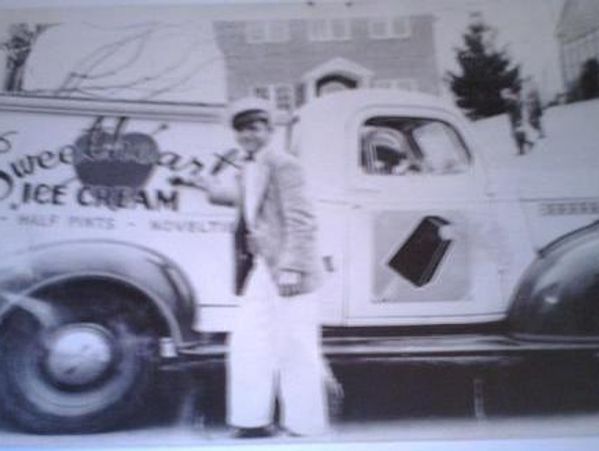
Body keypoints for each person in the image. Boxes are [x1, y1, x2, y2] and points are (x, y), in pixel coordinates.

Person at [196, 97, 328, 438]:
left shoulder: (286, 164)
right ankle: (251, 421)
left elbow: (303, 220)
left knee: (296, 346)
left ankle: (305, 425)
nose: (247, 135)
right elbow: (246, 200)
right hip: (262, 268)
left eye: (254, 128)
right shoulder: (248, 166)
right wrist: (210, 188)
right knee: (247, 344)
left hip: (287, 271)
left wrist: (293, 268)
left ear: (270, 130)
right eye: (241, 130)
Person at [501, 87, 533, 155]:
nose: (503, 97)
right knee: (517, 134)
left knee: (517, 135)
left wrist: (518, 120)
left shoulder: (512, 101)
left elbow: (516, 111)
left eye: (503, 95)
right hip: (514, 120)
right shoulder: (511, 100)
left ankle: (522, 149)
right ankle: (528, 144)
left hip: (516, 120)